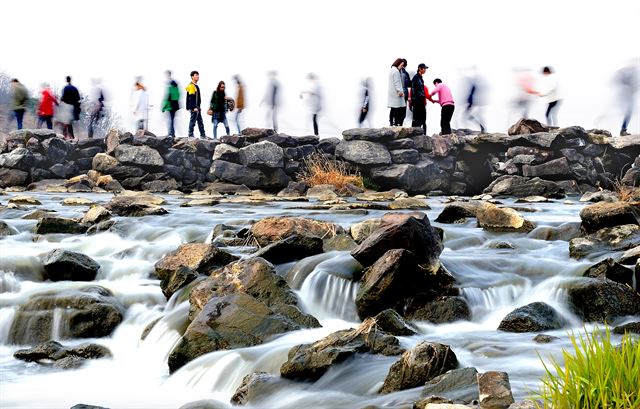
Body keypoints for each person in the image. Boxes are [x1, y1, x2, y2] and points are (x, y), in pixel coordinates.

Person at [615, 62, 638, 136]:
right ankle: (623, 130)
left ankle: (623, 130)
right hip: (625, 95)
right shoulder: (625, 73)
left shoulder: (628, 73)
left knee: (628, 113)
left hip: (627, 95)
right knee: (627, 113)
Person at [464, 67, 486, 133]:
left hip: (472, 104)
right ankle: (481, 127)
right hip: (472, 104)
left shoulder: (473, 89)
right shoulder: (473, 89)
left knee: (469, 117)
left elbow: (471, 96)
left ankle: (481, 127)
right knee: (470, 116)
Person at [410, 63, 430, 132]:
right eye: (424, 68)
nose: (425, 70)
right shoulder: (416, 77)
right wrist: (413, 100)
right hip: (417, 101)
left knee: (423, 119)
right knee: (417, 119)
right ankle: (415, 134)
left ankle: (424, 135)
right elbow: (413, 90)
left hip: (421, 101)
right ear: (420, 68)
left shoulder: (420, 78)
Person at [186, 70, 206, 138]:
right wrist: (193, 107)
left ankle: (203, 135)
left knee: (200, 121)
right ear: (192, 77)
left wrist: (198, 107)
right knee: (193, 121)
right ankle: (190, 134)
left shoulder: (196, 86)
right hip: (194, 107)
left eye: (198, 75)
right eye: (196, 75)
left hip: (197, 107)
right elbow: (191, 98)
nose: (198, 76)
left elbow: (197, 98)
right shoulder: (192, 86)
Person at [388, 58, 406, 126]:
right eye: (401, 65)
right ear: (398, 64)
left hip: (392, 92)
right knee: (397, 108)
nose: (402, 67)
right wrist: (400, 91)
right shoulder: (396, 71)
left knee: (393, 108)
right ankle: (395, 123)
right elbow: (397, 82)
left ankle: (391, 123)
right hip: (396, 93)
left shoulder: (391, 70)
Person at [162, 70, 180, 137]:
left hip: (171, 106)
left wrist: (164, 107)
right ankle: (172, 133)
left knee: (171, 120)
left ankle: (171, 133)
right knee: (172, 119)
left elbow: (168, 98)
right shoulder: (176, 88)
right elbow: (177, 96)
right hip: (175, 106)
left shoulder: (171, 88)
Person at [399, 58, 411, 126]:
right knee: (402, 110)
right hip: (404, 93)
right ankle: (399, 123)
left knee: (400, 109)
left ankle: (398, 124)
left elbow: (408, 84)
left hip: (402, 93)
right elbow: (409, 84)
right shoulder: (404, 73)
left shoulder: (402, 72)